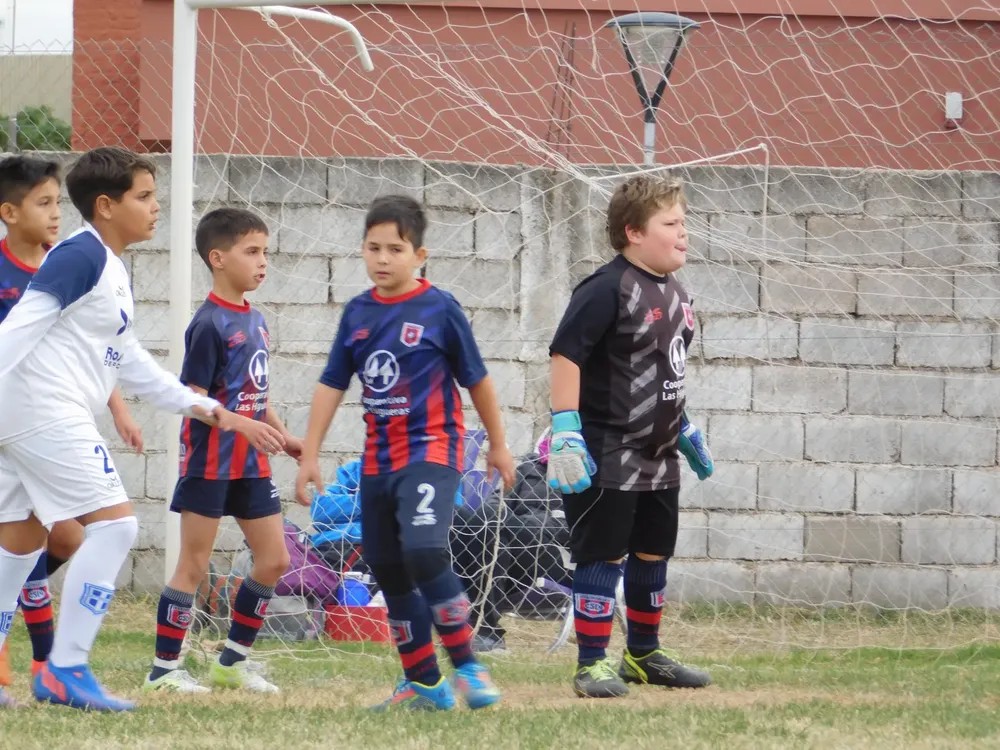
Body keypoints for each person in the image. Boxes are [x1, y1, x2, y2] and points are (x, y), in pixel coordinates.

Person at [0, 147, 285, 712]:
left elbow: (131, 363)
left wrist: (217, 413)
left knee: (17, 545)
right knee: (116, 527)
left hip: (25, 414)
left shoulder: (109, 266)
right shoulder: (80, 256)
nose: (157, 208)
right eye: (145, 196)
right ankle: (67, 668)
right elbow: (17, 329)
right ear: (105, 206)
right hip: (41, 409)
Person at [295, 195, 516, 712]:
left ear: (420, 254)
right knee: (389, 569)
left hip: (431, 453)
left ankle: (466, 665)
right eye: (373, 248)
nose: (383, 258)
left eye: (395, 248)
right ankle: (424, 686)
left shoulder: (440, 309)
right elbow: (332, 383)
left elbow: (477, 380)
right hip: (379, 464)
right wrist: (309, 453)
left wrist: (499, 445)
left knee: (423, 551)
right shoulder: (358, 312)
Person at [547, 175, 714, 699]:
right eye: (671, 223)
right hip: (607, 452)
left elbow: (666, 368)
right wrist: (566, 428)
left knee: (651, 554)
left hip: (660, 457)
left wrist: (682, 426)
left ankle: (643, 655)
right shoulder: (605, 288)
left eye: (684, 223)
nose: (684, 233)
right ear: (633, 232)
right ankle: (592, 663)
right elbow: (566, 354)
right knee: (604, 555)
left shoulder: (680, 295)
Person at [0, 154, 143, 708]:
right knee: (76, 535)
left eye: (58, 202)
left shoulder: (69, 265)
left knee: (45, 539)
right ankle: (56, 666)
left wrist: (121, 409)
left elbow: (85, 353)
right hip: (21, 416)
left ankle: (49, 666)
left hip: (38, 415)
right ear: (9, 213)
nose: (57, 214)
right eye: (44, 203)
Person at [144, 207, 301, 695]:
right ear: (218, 258)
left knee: (274, 560)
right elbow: (193, 398)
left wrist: (282, 434)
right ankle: (163, 671)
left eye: (265, 253)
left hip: (251, 464)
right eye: (252, 251)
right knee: (194, 564)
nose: (262, 263)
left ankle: (232, 662)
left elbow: (256, 392)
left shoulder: (256, 320)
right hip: (210, 462)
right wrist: (237, 425)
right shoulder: (208, 324)